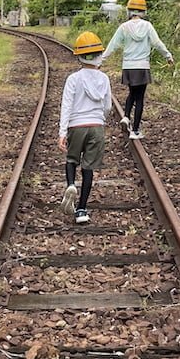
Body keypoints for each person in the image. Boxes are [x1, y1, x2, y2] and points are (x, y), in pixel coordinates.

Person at [101, 0, 173, 140]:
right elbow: (157, 43)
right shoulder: (148, 26)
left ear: (129, 11)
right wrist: (168, 56)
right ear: (143, 12)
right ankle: (135, 131)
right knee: (139, 98)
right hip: (142, 66)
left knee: (132, 93)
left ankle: (126, 116)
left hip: (128, 66)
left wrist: (101, 59)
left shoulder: (124, 27)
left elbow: (113, 44)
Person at [58, 31, 112, 225]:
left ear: (79, 56)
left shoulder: (73, 79)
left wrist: (63, 132)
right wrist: (100, 120)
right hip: (96, 126)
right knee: (88, 169)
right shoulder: (104, 79)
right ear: (99, 56)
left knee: (72, 160)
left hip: (76, 126)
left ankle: (71, 184)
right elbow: (107, 107)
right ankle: (81, 210)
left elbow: (67, 106)